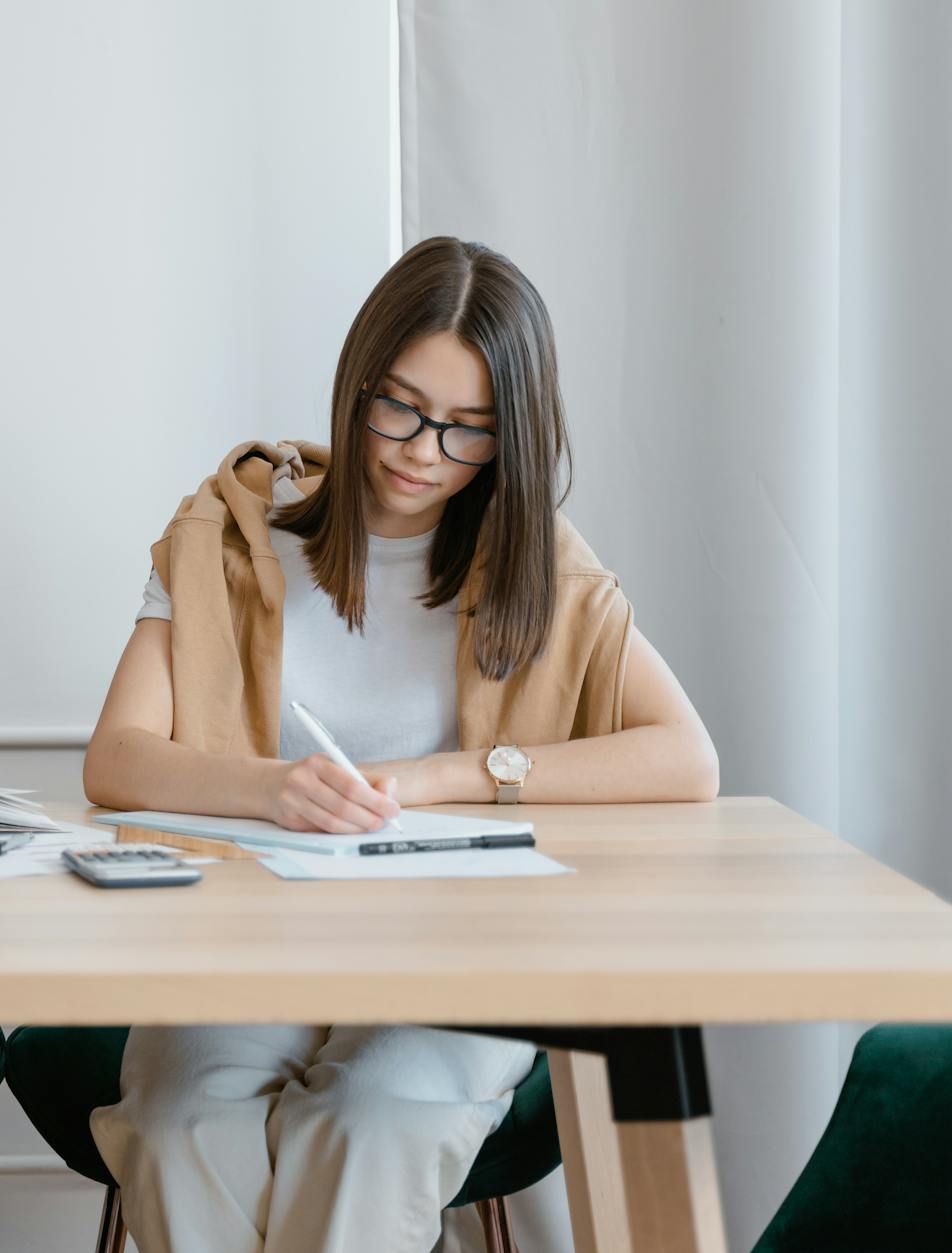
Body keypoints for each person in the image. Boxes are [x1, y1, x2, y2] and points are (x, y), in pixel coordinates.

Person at [80, 236, 720, 1253]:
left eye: (468, 429)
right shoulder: (227, 537)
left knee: (368, 1120)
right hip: (246, 952)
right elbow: (115, 758)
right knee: (176, 1122)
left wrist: (449, 776)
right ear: (357, 381)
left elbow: (685, 759)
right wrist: (268, 787)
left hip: (463, 956)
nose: (423, 450)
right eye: (401, 408)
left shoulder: (540, 564)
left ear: (510, 436)